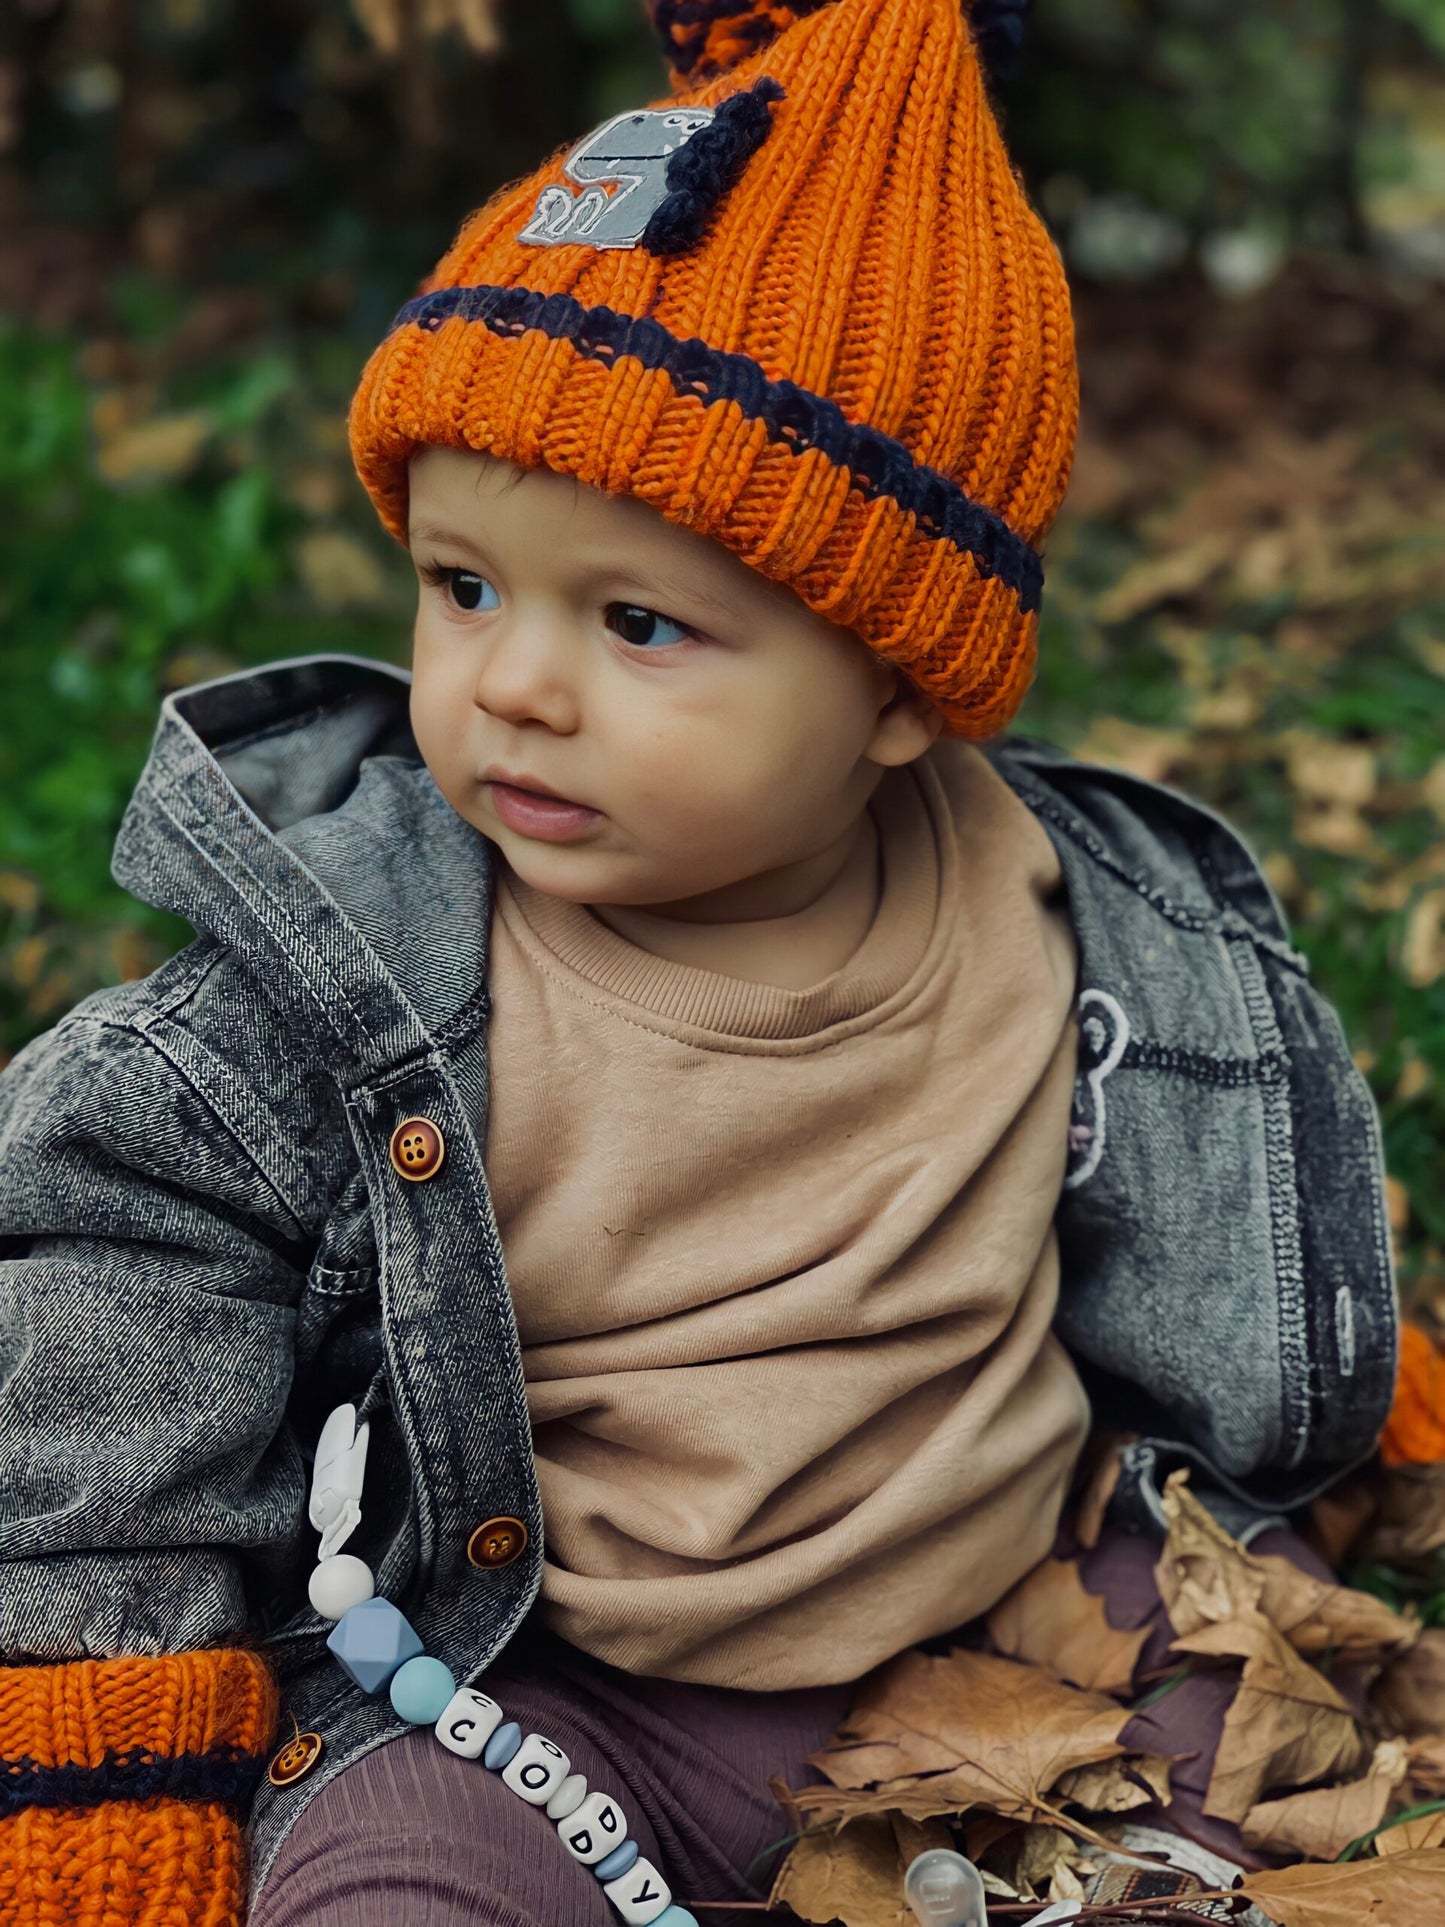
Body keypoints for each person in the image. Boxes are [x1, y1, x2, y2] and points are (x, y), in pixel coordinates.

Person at [0, 2, 1398, 1924]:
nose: (512, 686)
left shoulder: (1064, 907)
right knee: (389, 1889)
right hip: (532, 1692)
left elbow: (1185, 1212)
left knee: (1254, 1814)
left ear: (902, 688)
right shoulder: (345, 991)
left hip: (1028, 1628)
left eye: (640, 623)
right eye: (461, 583)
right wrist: (113, 1734)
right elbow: (104, 1332)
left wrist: (1352, 1371)